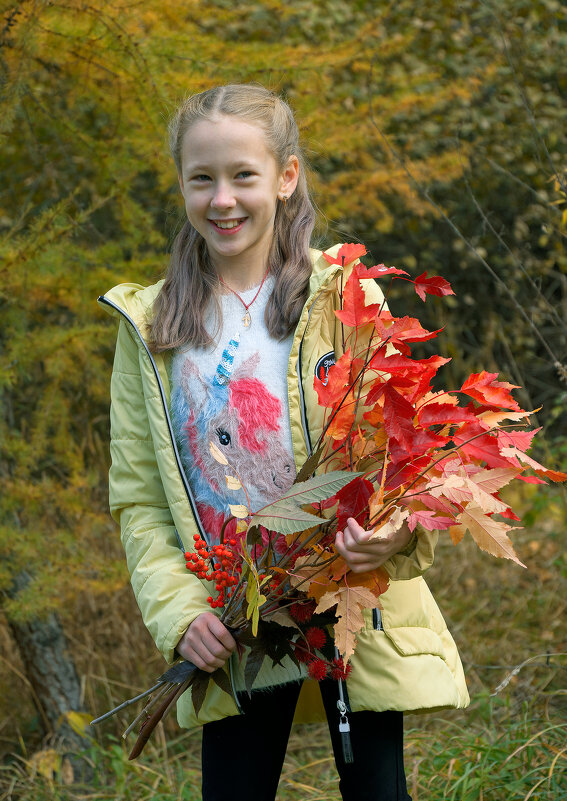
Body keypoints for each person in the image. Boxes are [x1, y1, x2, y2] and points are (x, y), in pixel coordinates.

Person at [99, 84, 469, 801]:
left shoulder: (343, 298)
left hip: (347, 603)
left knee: (377, 790)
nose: (223, 199)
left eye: (243, 174)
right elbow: (139, 498)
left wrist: (390, 535)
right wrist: (180, 614)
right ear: (181, 184)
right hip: (234, 619)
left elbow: (405, 455)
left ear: (285, 176)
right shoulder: (149, 328)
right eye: (201, 178)